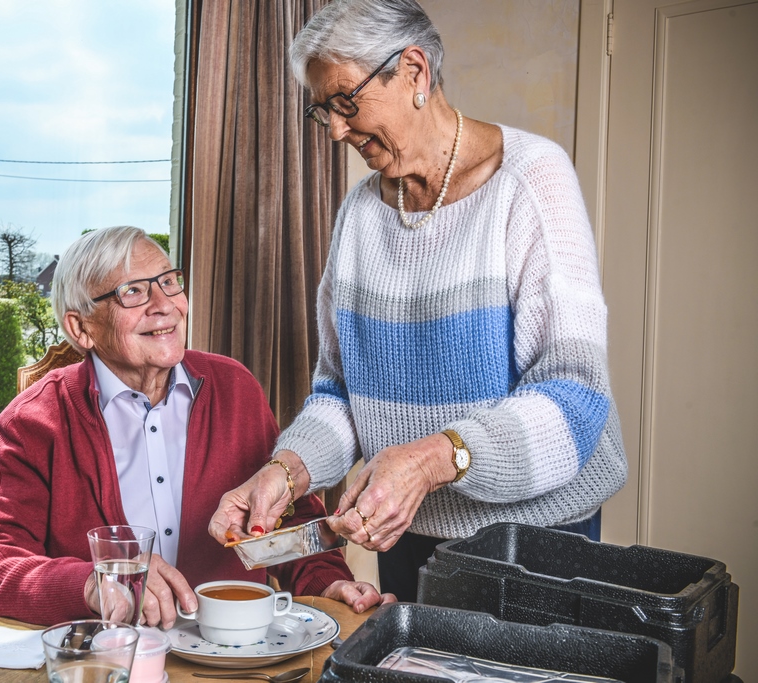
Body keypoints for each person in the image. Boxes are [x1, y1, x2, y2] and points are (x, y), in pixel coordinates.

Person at [209, 0, 627, 602]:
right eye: (323, 111)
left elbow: (575, 396)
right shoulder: (359, 215)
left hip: (535, 536)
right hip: (406, 529)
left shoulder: (531, 181)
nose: (336, 131)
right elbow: (341, 395)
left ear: (414, 71)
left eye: (346, 102)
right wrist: (287, 471)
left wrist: (432, 461)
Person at [0, 225, 388, 628]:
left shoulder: (235, 388)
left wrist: (328, 584)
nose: (164, 305)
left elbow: (290, 520)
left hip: (232, 657)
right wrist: (95, 583)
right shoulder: (34, 421)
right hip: (109, 661)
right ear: (81, 328)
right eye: (132, 292)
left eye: (168, 282)